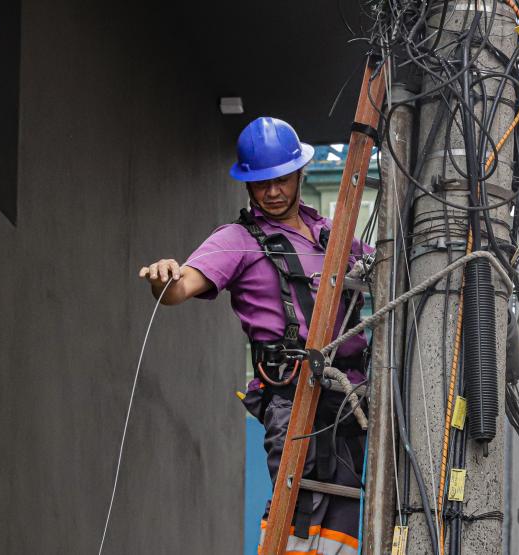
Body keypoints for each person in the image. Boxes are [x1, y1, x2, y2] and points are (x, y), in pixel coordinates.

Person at [139, 116, 369, 554]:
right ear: (248, 184)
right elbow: (181, 287)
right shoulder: (238, 240)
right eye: (262, 183)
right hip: (294, 393)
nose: (273, 192)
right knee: (300, 518)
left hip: (350, 396)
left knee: (343, 525)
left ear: (300, 173)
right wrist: (164, 280)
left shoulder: (333, 236)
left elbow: (389, 272)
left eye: (281, 180)